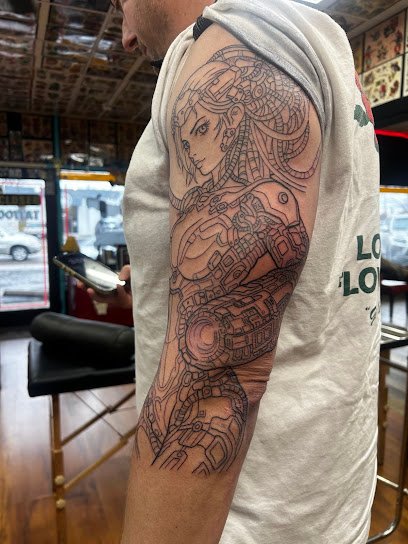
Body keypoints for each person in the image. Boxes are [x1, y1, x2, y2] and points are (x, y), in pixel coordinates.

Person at [90, 1, 380, 542]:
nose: (125, 35)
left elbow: (208, 378)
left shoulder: (242, 48)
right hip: (323, 502)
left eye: (120, 2)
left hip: (247, 522)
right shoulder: (317, 44)